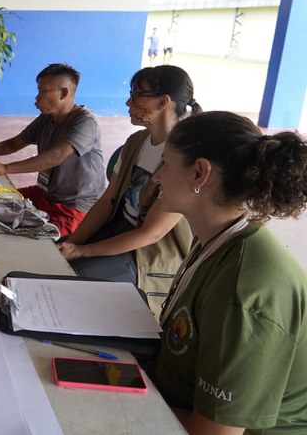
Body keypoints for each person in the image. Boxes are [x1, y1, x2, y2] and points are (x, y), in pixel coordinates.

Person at [151, 111, 307, 434]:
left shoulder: (244, 288)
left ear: (199, 173)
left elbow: (211, 433)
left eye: (164, 163)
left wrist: (121, 399)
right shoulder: (219, 237)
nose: (156, 177)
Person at [58, 65, 201, 315]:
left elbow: (151, 235)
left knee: (74, 282)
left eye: (137, 94)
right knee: (52, 261)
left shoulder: (185, 157)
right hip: (116, 232)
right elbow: (107, 202)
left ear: (163, 102)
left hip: (146, 254)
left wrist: (82, 251)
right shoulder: (136, 142)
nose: (128, 101)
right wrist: (72, 242)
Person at [0, 63, 105, 237]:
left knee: (38, 240)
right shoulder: (46, 118)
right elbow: (15, 143)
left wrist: (6, 168)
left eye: (43, 91)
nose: (37, 98)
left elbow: (56, 156)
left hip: (73, 207)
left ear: (64, 93)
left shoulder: (86, 122)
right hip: (43, 195)